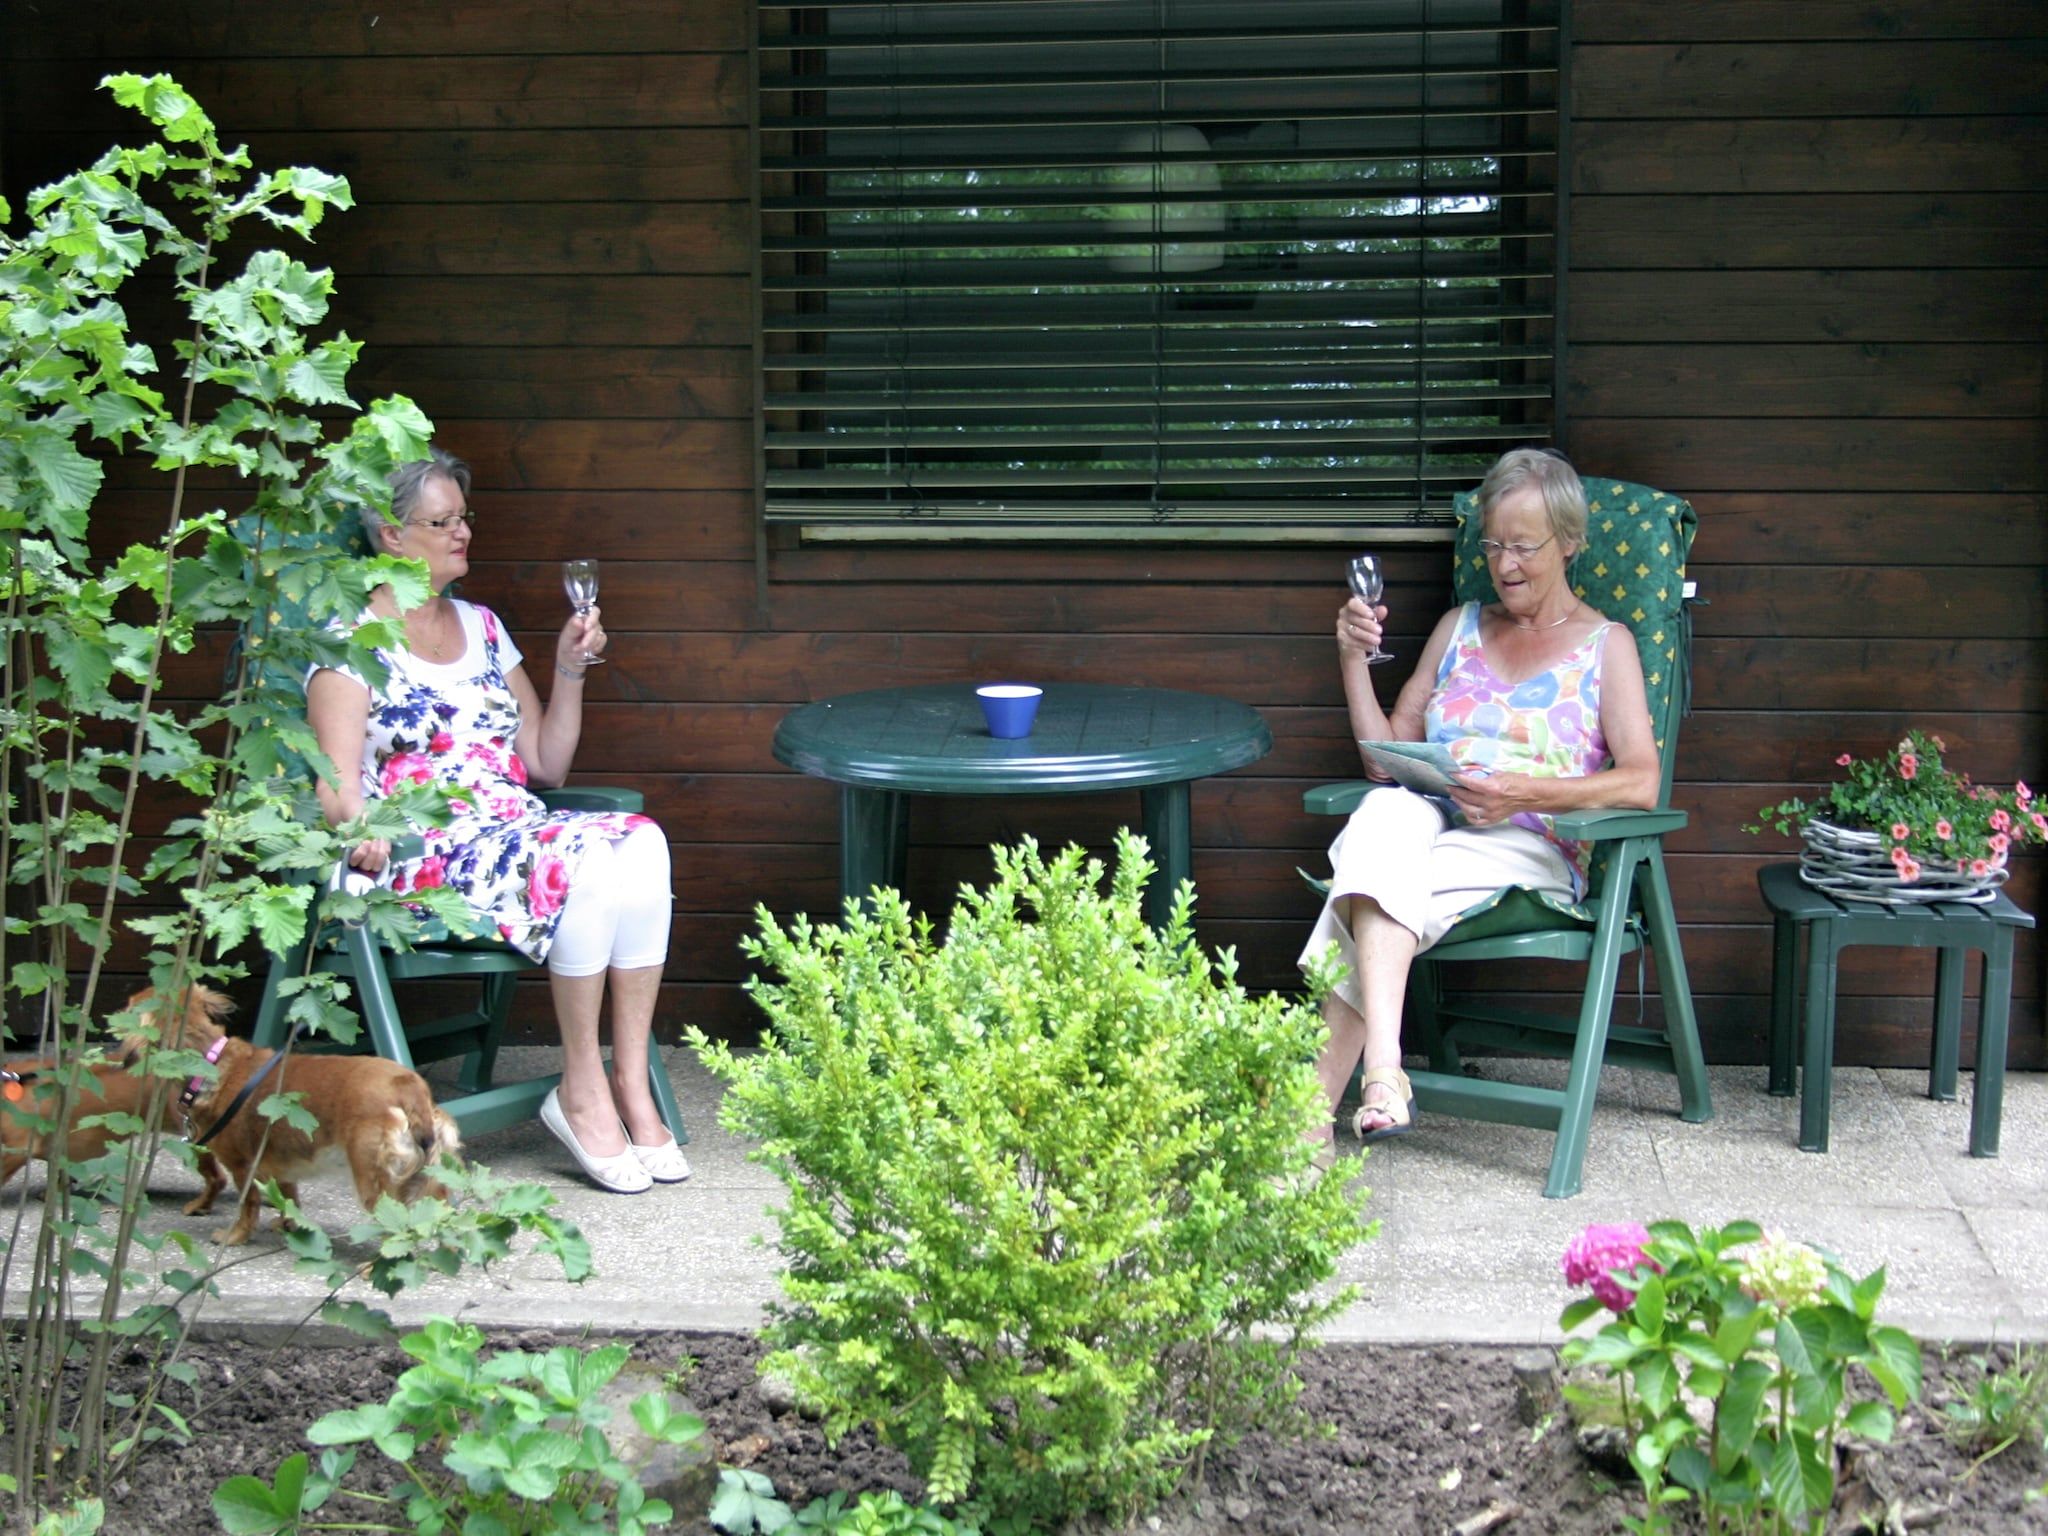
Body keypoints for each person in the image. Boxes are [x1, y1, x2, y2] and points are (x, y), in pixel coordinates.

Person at [306, 446, 686, 1195]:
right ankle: (582, 1089)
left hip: (511, 831)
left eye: (464, 518)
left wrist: (568, 668)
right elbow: (334, 784)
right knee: (581, 860)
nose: (463, 534)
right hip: (421, 856)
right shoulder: (348, 642)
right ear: (390, 535)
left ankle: (631, 1081)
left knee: (642, 842)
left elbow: (546, 765)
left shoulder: (484, 627)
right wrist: (359, 823)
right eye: (443, 521)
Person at [1298, 448, 1661, 1158]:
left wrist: (1529, 792)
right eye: (1493, 545)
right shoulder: (1458, 627)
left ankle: (1307, 1122)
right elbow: (1384, 758)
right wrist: (1350, 657)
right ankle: (1382, 1075)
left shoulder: (1605, 646)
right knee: (1385, 815)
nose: (1505, 564)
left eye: (1525, 546)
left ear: (1571, 543)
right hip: (1428, 826)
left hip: (1532, 847)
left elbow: (1641, 780)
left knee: (1366, 880)